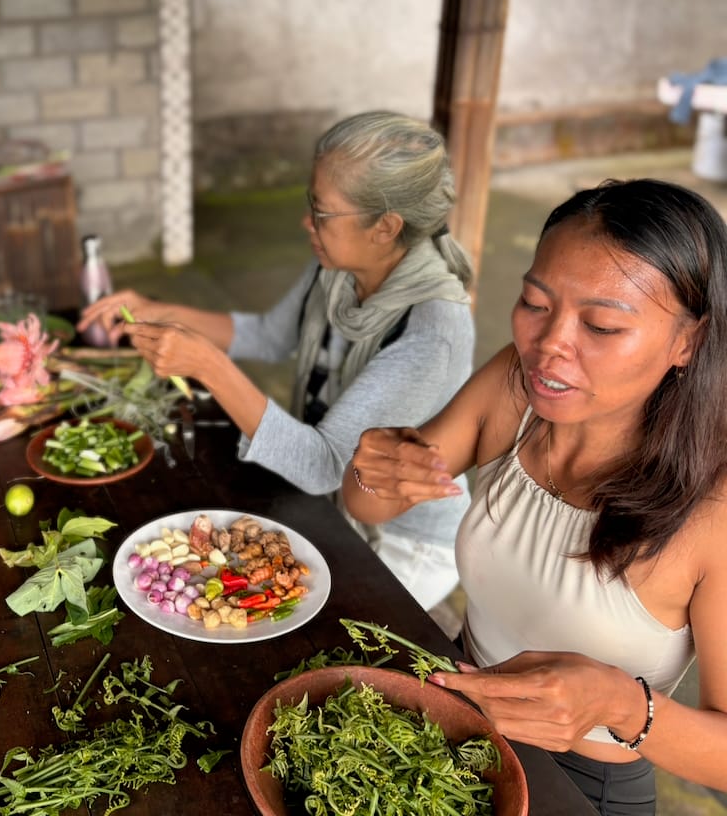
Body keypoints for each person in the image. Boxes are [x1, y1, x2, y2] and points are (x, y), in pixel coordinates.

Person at [343, 179, 727, 814]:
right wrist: (375, 469)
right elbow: (368, 506)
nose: (550, 345)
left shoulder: (711, 510)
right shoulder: (518, 389)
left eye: (601, 325)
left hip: (586, 787)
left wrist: (619, 703)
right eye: (534, 302)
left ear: (687, 342)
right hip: (454, 723)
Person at [79, 111, 475, 611]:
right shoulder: (335, 266)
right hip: (337, 505)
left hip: (407, 540)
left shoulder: (430, 332)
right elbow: (268, 336)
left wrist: (208, 367)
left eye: (322, 212)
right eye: (311, 202)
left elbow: (323, 464)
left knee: (309, 628)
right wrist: (162, 310)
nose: (306, 222)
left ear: (385, 227)